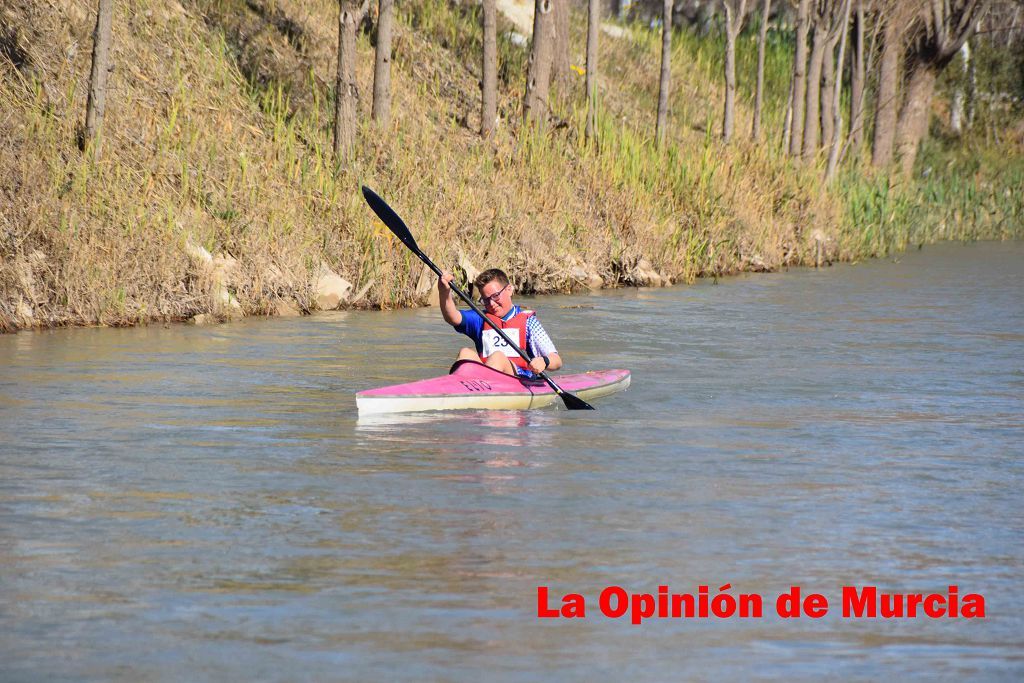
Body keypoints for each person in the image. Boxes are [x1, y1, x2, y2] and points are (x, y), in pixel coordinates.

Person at [438, 268, 562, 378]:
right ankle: (457, 389)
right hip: (485, 378)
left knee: (498, 357)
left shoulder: (529, 322)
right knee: (465, 353)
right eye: (486, 300)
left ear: (509, 290)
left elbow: (556, 361)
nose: (491, 303)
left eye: (496, 296)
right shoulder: (481, 318)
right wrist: (444, 292)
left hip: (521, 379)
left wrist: (544, 361)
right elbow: (453, 317)